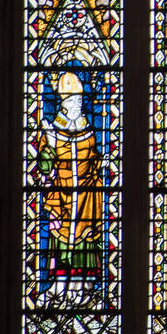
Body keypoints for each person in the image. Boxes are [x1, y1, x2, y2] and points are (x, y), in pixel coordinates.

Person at [35, 71, 103, 301]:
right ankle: (59, 285)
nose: (78, 105)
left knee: (84, 240)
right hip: (62, 197)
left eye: (79, 100)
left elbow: (94, 161)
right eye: (73, 100)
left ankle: (81, 287)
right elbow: (44, 166)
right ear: (63, 104)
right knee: (61, 242)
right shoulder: (52, 131)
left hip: (85, 197)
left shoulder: (88, 132)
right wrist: (50, 147)